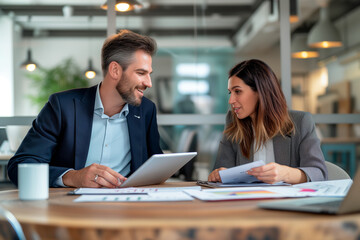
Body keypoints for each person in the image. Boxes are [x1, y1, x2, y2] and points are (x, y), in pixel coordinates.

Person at [7, 29, 163, 188]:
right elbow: (19, 166)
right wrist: (73, 177)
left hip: (129, 205)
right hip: (71, 206)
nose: (149, 83)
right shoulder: (63, 106)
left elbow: (155, 163)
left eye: (149, 73)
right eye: (141, 73)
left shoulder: (146, 110)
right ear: (115, 70)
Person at [208, 59, 327, 184]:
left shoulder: (301, 122)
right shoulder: (233, 121)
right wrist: (219, 174)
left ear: (260, 91)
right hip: (244, 201)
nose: (231, 100)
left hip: (287, 202)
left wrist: (285, 173)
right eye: (230, 92)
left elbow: (319, 173)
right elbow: (221, 170)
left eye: (237, 91)